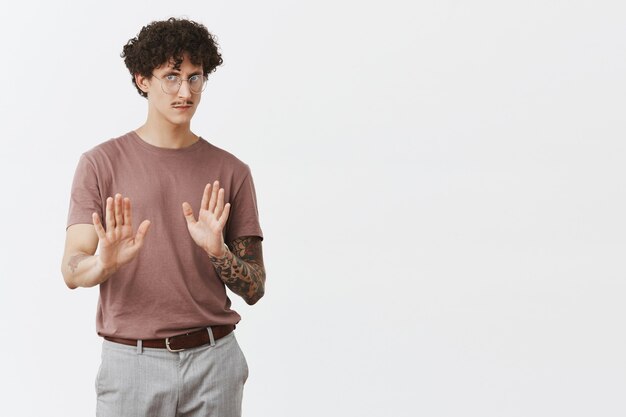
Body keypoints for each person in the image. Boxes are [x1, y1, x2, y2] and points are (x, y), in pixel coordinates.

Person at [61, 17, 266, 417]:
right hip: (132, 364)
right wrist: (102, 263)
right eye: (171, 76)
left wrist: (218, 251)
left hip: (215, 361)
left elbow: (255, 289)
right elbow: (71, 269)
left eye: (195, 77)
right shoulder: (100, 164)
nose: (184, 91)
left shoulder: (232, 171)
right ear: (142, 79)